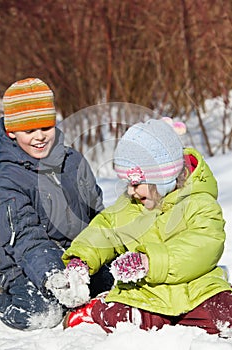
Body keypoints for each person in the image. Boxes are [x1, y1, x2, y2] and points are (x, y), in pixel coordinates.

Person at [61, 118, 232, 336]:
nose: (131, 192)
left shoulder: (200, 203)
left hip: (196, 289)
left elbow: (203, 244)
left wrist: (148, 262)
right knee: (126, 317)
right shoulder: (132, 206)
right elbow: (106, 230)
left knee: (224, 313)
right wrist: (82, 259)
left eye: (135, 184)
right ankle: (96, 311)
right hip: (147, 293)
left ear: (163, 178)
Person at [0, 77, 113, 330]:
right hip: (18, 258)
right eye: (29, 131)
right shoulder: (7, 177)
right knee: (43, 312)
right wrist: (54, 276)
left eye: (46, 128)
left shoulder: (73, 162)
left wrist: (100, 253)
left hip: (73, 255)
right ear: (11, 131)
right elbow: (25, 236)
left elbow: (97, 215)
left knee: (110, 286)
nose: (40, 137)